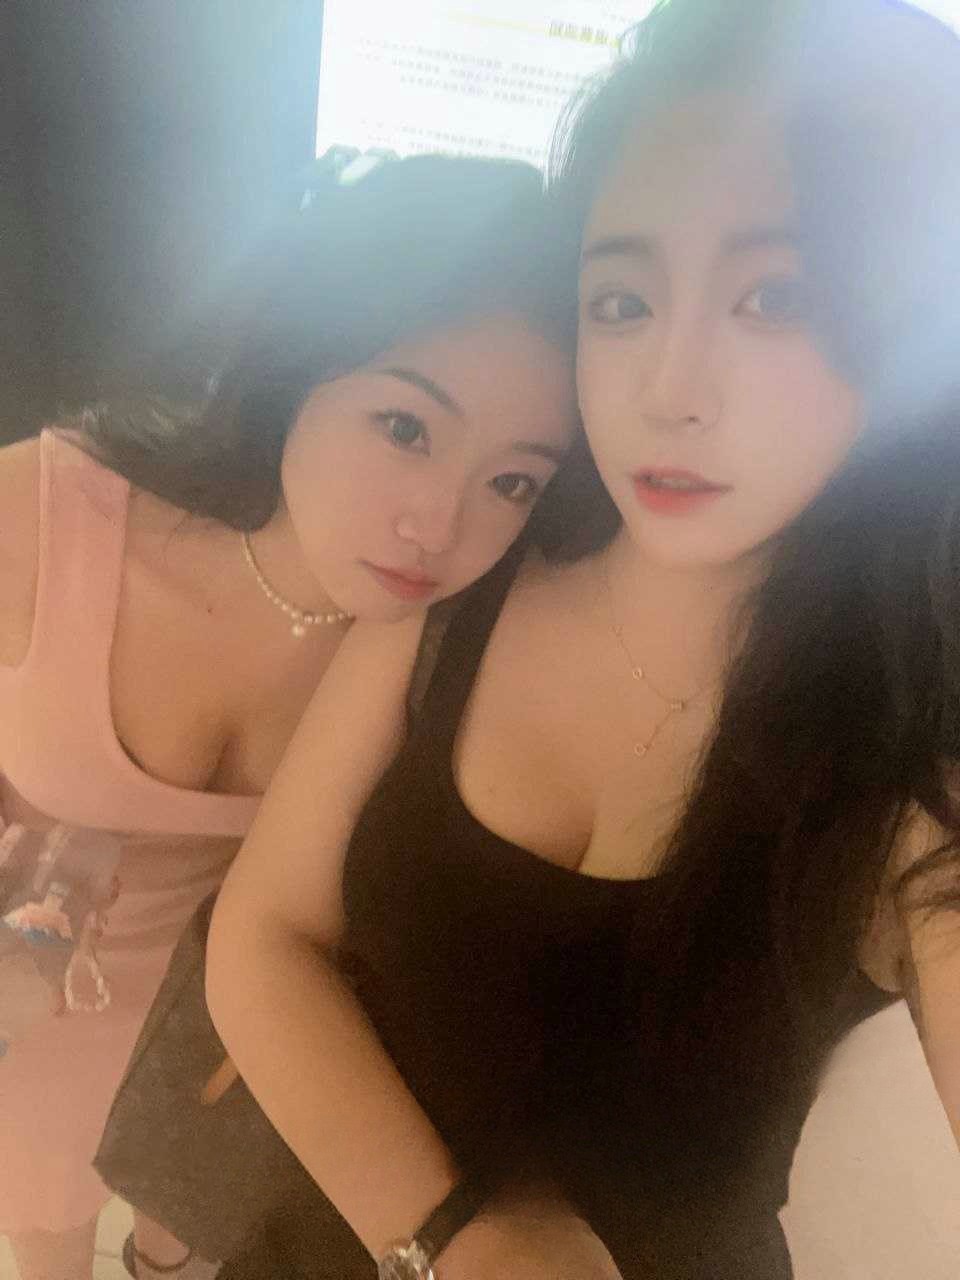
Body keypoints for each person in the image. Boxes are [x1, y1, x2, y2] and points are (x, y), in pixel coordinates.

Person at [203, 1, 960, 1277]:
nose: (666, 387)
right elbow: (264, 935)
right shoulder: (475, 578)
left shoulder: (910, 764)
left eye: (773, 295)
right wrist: (452, 1234)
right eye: (621, 299)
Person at [0, 155, 579, 1280]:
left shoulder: (450, 651)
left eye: (514, 481)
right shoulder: (44, 514)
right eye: (406, 426)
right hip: (30, 1005)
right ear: (306, 357)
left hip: (235, 1052)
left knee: (181, 1245)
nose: (439, 525)